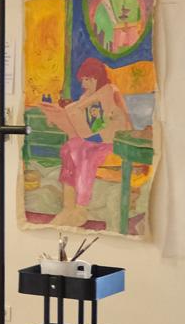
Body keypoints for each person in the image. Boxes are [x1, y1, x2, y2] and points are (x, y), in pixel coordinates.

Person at [39, 57, 131, 228]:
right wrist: (57, 116)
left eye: (87, 80)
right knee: (70, 148)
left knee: (85, 153)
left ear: (96, 78)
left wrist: (72, 109)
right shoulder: (87, 95)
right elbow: (81, 121)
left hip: (114, 142)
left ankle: (81, 207)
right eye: (82, 80)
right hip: (94, 140)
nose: (83, 84)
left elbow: (106, 120)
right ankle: (68, 207)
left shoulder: (110, 90)